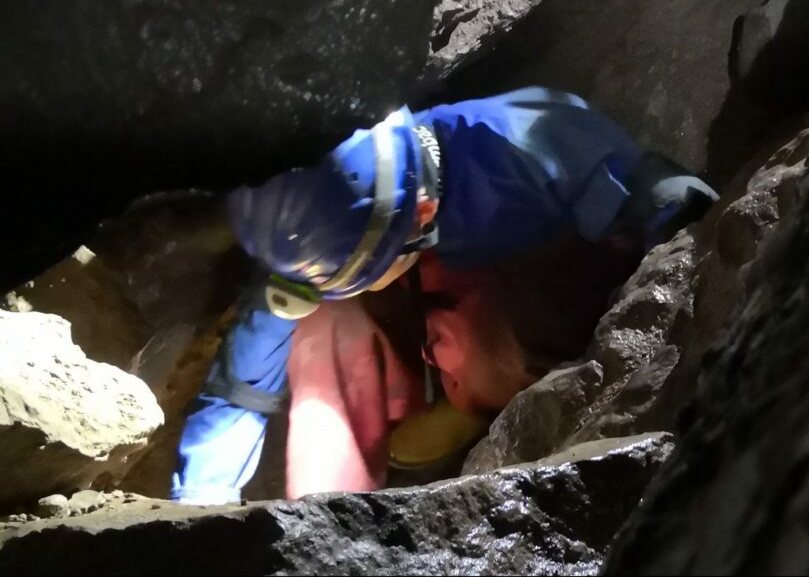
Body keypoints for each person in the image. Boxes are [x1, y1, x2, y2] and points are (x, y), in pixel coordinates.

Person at [171, 87, 716, 503]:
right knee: (321, 327)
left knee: (486, 348)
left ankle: (479, 403)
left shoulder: (534, 151)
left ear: (420, 218)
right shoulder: (321, 216)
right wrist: (198, 506)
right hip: (445, 294)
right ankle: (327, 514)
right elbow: (241, 385)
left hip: (531, 300)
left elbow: (657, 206)